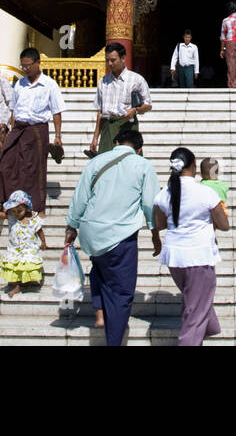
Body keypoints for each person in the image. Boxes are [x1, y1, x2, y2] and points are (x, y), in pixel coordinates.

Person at [64, 126, 160, 346]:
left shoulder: (96, 162)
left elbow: (80, 198)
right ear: (140, 149)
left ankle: (99, 310)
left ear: (116, 142)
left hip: (92, 232)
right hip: (121, 235)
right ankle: (114, 340)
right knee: (121, 291)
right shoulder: (143, 165)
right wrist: (155, 233)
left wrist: (71, 228)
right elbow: (149, 204)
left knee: (100, 269)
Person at [152, 147, 230, 346]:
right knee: (194, 314)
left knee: (194, 301)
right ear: (194, 166)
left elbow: (158, 223)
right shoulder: (206, 192)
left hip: (175, 259)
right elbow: (224, 225)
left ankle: (209, 326)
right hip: (199, 257)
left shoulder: (164, 193)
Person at [0, 47, 65, 216]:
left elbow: (57, 111)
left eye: (28, 65)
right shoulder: (20, 83)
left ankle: (37, 207)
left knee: (34, 168)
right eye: (23, 66)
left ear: (37, 63)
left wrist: (57, 136)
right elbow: (13, 109)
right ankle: (10, 204)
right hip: (18, 128)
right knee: (7, 164)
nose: (25, 69)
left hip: (37, 129)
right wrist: (11, 129)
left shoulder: (49, 84)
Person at [87, 41, 152, 158]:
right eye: (107, 60)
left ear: (123, 58)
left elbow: (148, 105)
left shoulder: (136, 80)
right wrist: (95, 137)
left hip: (127, 126)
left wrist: (135, 110)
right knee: (105, 163)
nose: (109, 63)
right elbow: (100, 112)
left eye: (113, 60)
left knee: (129, 162)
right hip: (108, 125)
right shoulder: (103, 82)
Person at [0, 190, 47, 297]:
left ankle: (24, 284)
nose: (17, 214)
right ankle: (16, 285)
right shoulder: (12, 218)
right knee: (13, 267)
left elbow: (39, 231)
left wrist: (43, 241)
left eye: (19, 211)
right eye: (14, 212)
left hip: (28, 249)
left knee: (28, 266)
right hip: (15, 249)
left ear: (26, 207)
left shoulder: (34, 220)